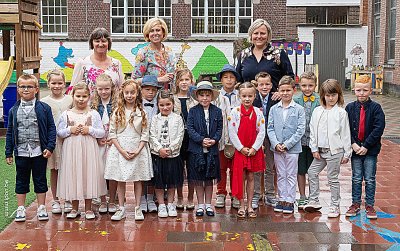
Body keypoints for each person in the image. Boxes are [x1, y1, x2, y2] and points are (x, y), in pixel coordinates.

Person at [5, 74, 56, 222]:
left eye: (29, 86)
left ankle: (41, 207)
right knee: (21, 180)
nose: (26, 89)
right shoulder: (13, 110)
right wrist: (9, 151)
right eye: (22, 86)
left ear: (36, 88)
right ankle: (21, 208)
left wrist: (50, 146)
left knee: (40, 179)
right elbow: (10, 132)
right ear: (18, 89)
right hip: (21, 151)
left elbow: (51, 128)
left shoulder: (44, 108)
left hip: (39, 151)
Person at [104, 79, 153, 221]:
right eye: (127, 93)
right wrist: (122, 151)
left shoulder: (141, 113)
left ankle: (137, 207)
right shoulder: (117, 112)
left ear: (137, 94)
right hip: (120, 149)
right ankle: (121, 207)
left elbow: (145, 134)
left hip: (137, 148)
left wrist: (138, 150)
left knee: (138, 179)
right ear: (122, 94)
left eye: (132, 92)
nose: (130, 95)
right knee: (120, 179)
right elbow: (112, 134)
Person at [57, 82, 106, 220]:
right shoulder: (66, 114)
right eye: (78, 96)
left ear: (89, 97)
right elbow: (59, 132)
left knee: (87, 175)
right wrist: (69, 130)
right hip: (72, 150)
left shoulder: (94, 114)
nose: (81, 99)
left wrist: (89, 130)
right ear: (72, 96)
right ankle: (74, 208)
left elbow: (101, 132)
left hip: (88, 150)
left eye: (84, 96)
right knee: (74, 175)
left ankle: (89, 208)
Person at [304, 79, 351, 218]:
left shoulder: (341, 113)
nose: (331, 98)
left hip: (335, 152)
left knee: (332, 178)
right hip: (320, 151)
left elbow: (345, 134)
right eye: (328, 95)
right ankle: (314, 200)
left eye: (334, 95)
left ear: (339, 95)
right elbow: (312, 131)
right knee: (312, 172)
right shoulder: (317, 111)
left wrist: (347, 153)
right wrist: (314, 148)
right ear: (323, 95)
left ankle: (335, 205)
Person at [345, 75, 385, 219]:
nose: (361, 93)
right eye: (358, 90)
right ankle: (355, 203)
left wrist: (367, 145)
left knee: (369, 178)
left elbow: (378, 128)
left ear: (371, 91)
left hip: (370, 150)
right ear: (354, 90)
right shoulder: (349, 108)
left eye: (365, 90)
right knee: (356, 177)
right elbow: (345, 128)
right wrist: (353, 144)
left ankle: (369, 205)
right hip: (355, 149)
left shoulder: (376, 108)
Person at [267, 76, 305, 214]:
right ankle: (281, 198)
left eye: (288, 90)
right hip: (277, 148)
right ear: (278, 91)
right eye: (282, 90)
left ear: (294, 90)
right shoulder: (274, 109)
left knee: (291, 173)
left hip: (292, 148)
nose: (285, 93)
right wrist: (276, 143)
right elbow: (270, 128)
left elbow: (300, 129)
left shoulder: (299, 109)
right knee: (280, 173)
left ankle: (290, 199)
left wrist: (287, 144)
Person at [228, 82, 266, 218]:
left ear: (255, 96)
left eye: (250, 96)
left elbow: (261, 131)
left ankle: (250, 205)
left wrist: (255, 148)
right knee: (241, 177)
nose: (247, 99)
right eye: (244, 96)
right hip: (241, 150)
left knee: (251, 177)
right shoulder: (235, 112)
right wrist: (241, 148)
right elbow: (232, 132)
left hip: (253, 151)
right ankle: (241, 204)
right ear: (239, 96)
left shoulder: (258, 112)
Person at [187, 81, 223, 217]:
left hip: (212, 149)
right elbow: (190, 129)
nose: (204, 98)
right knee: (198, 178)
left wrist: (214, 139)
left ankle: (208, 204)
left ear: (212, 96)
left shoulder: (217, 111)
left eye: (207, 95)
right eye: (202, 95)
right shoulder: (193, 111)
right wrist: (201, 140)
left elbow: (220, 128)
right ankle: (200, 204)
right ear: (197, 97)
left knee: (209, 178)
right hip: (196, 150)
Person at [41, 69, 73, 214]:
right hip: (52, 141)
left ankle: (67, 198)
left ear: (64, 84)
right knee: (54, 170)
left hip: (68, 140)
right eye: (53, 83)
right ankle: (55, 200)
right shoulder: (43, 102)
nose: (57, 86)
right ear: (48, 83)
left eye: (60, 83)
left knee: (68, 170)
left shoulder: (70, 100)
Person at [150, 90, 185, 218]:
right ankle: (161, 205)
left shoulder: (177, 118)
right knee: (159, 181)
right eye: (162, 105)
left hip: (173, 155)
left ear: (173, 104)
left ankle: (170, 203)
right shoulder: (154, 119)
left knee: (172, 181)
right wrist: (159, 149)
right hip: (158, 155)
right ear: (158, 105)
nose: (165, 107)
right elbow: (152, 135)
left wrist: (171, 149)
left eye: (168, 104)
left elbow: (180, 135)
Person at [236, 19, 294, 92]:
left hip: (273, 101)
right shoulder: (244, 54)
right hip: (249, 101)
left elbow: (289, 78)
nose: (259, 36)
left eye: (262, 33)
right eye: (256, 33)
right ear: (251, 35)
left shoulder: (278, 53)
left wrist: (281, 92)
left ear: (268, 35)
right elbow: (238, 80)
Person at [214, 64, 242, 209]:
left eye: (232, 77)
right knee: (221, 167)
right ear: (221, 80)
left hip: (237, 138)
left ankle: (236, 194)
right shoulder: (216, 97)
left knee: (236, 168)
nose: (229, 80)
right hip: (221, 137)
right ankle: (220, 193)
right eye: (226, 77)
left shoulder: (241, 95)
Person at [90, 73, 118, 214]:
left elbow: (120, 124)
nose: (103, 92)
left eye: (106, 89)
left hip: (113, 142)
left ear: (112, 88)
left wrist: (113, 138)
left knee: (112, 171)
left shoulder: (117, 104)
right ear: (96, 89)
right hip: (99, 143)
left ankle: (112, 200)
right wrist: (97, 137)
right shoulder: (94, 105)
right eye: (100, 89)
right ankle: (102, 200)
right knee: (100, 172)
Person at [293, 72, 320, 210]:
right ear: (299, 86)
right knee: (301, 169)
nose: (307, 88)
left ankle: (313, 196)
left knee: (313, 170)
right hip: (300, 141)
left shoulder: (320, 100)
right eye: (304, 85)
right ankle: (302, 196)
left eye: (310, 85)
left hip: (314, 142)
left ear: (315, 85)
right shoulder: (296, 100)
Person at [252, 72, 279, 209]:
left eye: (267, 84)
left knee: (270, 167)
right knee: (256, 167)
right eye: (261, 84)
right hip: (256, 137)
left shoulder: (276, 98)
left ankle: (270, 194)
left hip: (271, 137)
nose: (264, 87)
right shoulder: (252, 98)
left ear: (271, 85)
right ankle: (256, 194)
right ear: (256, 86)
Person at [70, 27, 124, 95]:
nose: (100, 44)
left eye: (104, 41)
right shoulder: (82, 63)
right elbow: (73, 89)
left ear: (108, 43)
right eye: (97, 41)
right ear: (92, 43)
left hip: (114, 105)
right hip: (89, 105)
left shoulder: (116, 64)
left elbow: (122, 89)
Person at [173, 69, 198, 210]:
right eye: (181, 80)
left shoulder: (195, 100)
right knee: (179, 168)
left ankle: (190, 198)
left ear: (191, 81)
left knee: (192, 168)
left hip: (192, 138)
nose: (184, 83)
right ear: (177, 82)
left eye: (187, 80)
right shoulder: (172, 98)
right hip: (177, 137)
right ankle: (180, 197)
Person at [132, 17, 175, 90]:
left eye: (158, 30)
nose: (155, 33)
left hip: (168, 97)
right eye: (152, 31)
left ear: (163, 32)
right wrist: (158, 79)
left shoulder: (169, 51)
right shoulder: (143, 53)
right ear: (147, 34)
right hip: (151, 97)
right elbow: (135, 80)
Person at [139, 75, 161, 213]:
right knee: (141, 171)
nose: (150, 92)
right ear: (141, 90)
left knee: (154, 171)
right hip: (141, 142)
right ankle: (141, 198)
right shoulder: (136, 104)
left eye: (153, 90)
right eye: (147, 89)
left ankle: (151, 198)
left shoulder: (160, 104)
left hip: (156, 142)